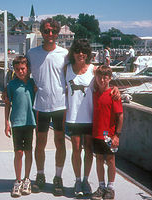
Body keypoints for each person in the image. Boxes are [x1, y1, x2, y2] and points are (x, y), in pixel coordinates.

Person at [26, 18, 68, 196]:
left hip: (60, 105)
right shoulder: (32, 53)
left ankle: (58, 177)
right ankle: (40, 175)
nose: (50, 34)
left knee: (60, 142)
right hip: (41, 105)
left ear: (57, 33)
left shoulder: (65, 54)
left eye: (53, 31)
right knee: (40, 143)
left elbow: (80, 72)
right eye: (46, 31)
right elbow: (22, 75)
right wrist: (8, 90)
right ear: (41, 32)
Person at [66, 39, 95, 197]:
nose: (81, 54)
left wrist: (115, 91)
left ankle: (86, 180)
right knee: (76, 150)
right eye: (77, 51)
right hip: (73, 118)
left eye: (84, 51)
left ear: (88, 54)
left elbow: (107, 84)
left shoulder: (93, 69)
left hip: (90, 118)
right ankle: (77, 180)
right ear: (73, 53)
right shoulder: (67, 69)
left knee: (89, 150)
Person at [4, 56, 36, 198]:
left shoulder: (33, 84)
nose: (20, 72)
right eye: (17, 69)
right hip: (16, 123)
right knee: (19, 152)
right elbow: (7, 104)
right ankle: (18, 180)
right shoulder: (11, 85)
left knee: (28, 151)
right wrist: (6, 123)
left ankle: (27, 179)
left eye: (23, 69)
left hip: (30, 122)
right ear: (14, 70)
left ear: (27, 69)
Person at [91, 66, 124, 200]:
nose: (102, 80)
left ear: (110, 78)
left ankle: (110, 187)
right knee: (99, 159)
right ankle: (101, 186)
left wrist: (117, 135)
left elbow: (120, 116)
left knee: (110, 160)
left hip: (109, 135)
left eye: (105, 77)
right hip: (97, 134)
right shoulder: (94, 93)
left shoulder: (113, 95)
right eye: (100, 77)